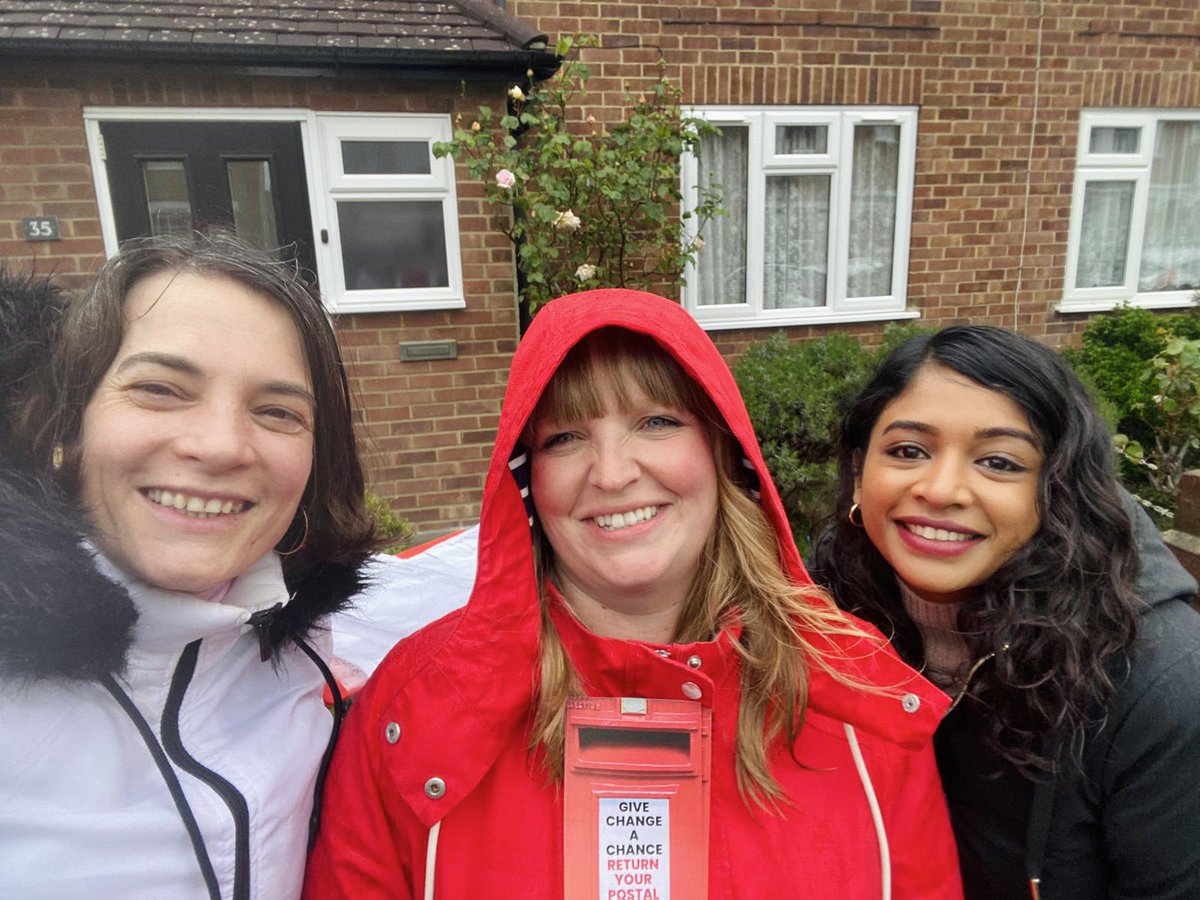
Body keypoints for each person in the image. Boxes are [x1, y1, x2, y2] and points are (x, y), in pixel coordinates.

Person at [304, 289, 963, 899]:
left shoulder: (855, 688)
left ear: (721, 449)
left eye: (655, 421)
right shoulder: (415, 707)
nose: (614, 473)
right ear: (527, 476)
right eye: (565, 437)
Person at [0, 233, 377, 900]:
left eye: (277, 411)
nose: (220, 445)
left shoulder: (297, 643)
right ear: (64, 428)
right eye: (160, 389)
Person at [808, 325, 1200, 899]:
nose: (941, 490)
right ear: (860, 466)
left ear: (1059, 491)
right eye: (908, 450)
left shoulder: (1161, 688)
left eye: (999, 462)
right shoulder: (827, 604)